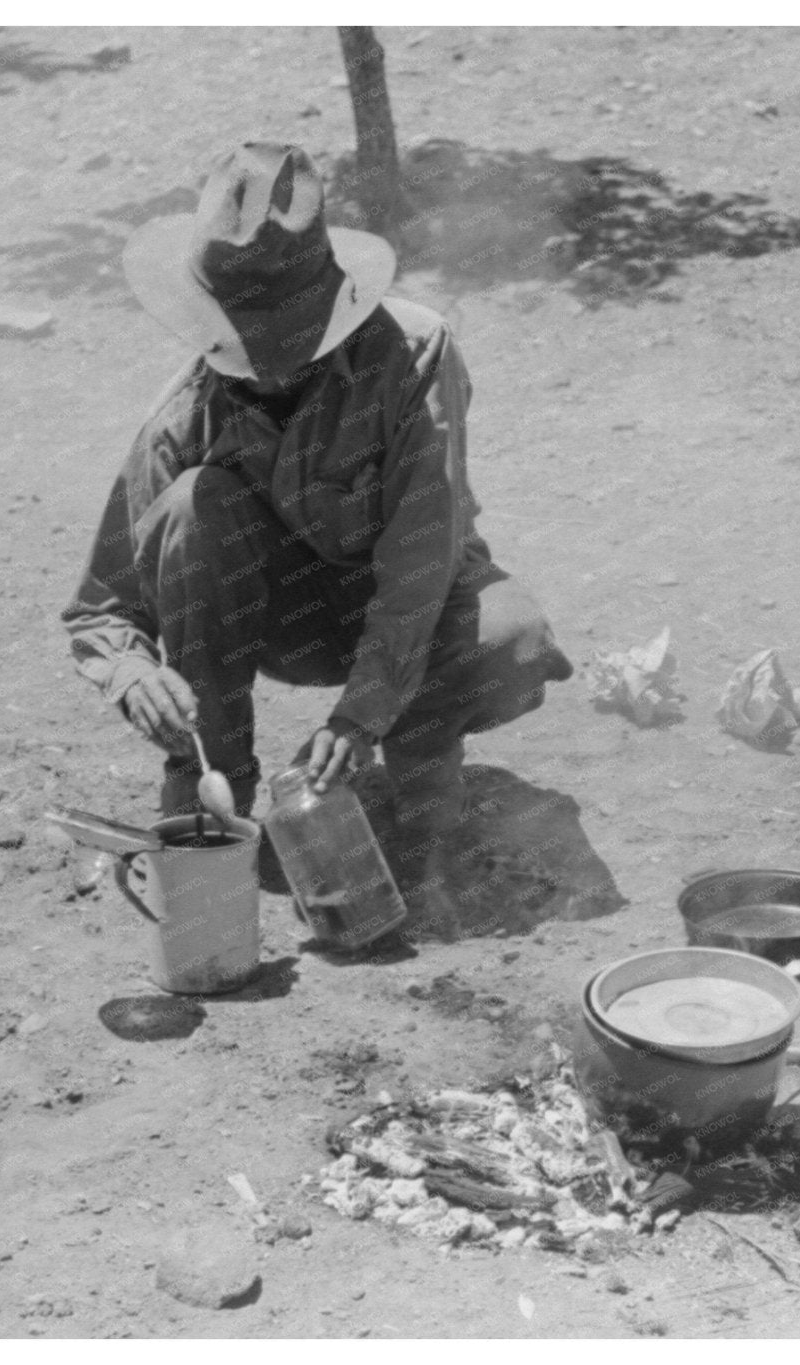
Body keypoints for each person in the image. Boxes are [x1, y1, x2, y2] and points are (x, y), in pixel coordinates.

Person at [62, 142, 573, 908]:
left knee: (513, 638)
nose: (265, 366)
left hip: (413, 614)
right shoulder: (186, 412)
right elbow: (103, 605)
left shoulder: (414, 354)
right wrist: (135, 677)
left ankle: (421, 794)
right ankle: (215, 792)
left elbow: (420, 559)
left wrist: (364, 710)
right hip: (286, 625)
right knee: (193, 505)